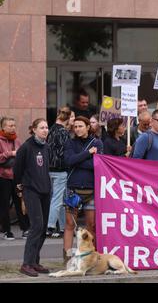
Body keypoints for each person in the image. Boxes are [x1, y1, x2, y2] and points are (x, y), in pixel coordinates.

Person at [13, 119, 51, 277]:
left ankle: (35, 261)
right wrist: (20, 191)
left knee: (43, 229)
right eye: (42, 128)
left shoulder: (46, 147)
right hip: (31, 191)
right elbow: (17, 171)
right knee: (36, 226)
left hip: (45, 191)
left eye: (46, 127)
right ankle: (26, 263)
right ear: (34, 129)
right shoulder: (26, 147)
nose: (45, 130)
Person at [63, 116, 103, 264]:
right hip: (73, 189)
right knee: (69, 225)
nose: (78, 129)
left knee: (91, 225)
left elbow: (97, 165)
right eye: (76, 126)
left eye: (81, 126)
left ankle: (90, 258)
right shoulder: (70, 143)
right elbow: (68, 161)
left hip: (91, 189)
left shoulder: (97, 143)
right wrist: (87, 154)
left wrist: (78, 160)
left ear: (88, 127)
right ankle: (67, 258)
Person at [0, 117, 29, 240]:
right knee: (4, 204)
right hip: (3, 176)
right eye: (10, 125)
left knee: (20, 203)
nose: (13, 128)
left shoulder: (17, 140)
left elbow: (23, 156)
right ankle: (6, 231)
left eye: (14, 125)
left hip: (16, 177)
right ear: (3, 127)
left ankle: (25, 229)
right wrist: (10, 153)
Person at [46, 107, 72, 238]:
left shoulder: (50, 129)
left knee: (60, 199)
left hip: (49, 168)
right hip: (60, 169)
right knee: (57, 199)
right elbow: (64, 152)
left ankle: (63, 227)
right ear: (67, 119)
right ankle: (49, 226)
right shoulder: (64, 132)